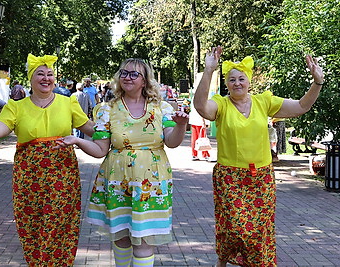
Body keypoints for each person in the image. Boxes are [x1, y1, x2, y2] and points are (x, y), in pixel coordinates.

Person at [0, 53, 95, 266]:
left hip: (63, 177)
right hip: (28, 177)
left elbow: (91, 130)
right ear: (31, 79)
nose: (46, 78)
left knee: (60, 225)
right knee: (30, 226)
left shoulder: (69, 103)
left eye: (50, 74)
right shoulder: (16, 106)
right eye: (40, 74)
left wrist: (119, 127)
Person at [194, 46, 324, 267]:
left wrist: (317, 82)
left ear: (249, 81)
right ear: (226, 84)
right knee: (234, 226)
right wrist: (208, 71)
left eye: (241, 79)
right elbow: (201, 107)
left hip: (261, 177)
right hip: (230, 177)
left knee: (259, 229)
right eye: (232, 79)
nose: (237, 83)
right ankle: (223, 259)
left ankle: (256, 263)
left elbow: (302, 106)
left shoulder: (264, 101)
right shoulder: (222, 104)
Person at [54, 58, 189, 267]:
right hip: (117, 181)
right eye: (124, 73)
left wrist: (181, 126)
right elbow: (100, 150)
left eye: (134, 74)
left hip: (150, 183)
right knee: (121, 237)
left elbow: (172, 142)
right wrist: (77, 140)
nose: (127, 77)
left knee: (144, 240)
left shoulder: (162, 107)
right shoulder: (107, 110)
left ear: (145, 81)